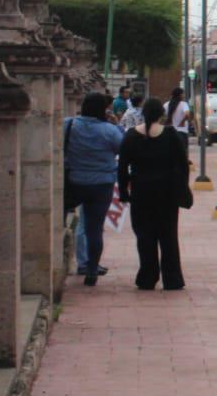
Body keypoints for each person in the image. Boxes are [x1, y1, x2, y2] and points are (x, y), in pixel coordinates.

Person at [117, 97, 192, 290]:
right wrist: (181, 187)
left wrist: (124, 192)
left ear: (143, 114)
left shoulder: (131, 136)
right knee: (168, 236)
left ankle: (147, 276)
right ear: (162, 114)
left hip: (141, 192)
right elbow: (183, 165)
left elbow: (122, 167)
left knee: (144, 236)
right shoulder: (170, 135)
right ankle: (172, 278)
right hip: (166, 193)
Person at [63, 93, 125, 286]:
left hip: (73, 181)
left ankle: (67, 260)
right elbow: (121, 147)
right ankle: (92, 270)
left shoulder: (69, 124)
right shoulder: (109, 131)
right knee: (94, 228)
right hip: (101, 184)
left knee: (62, 221)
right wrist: (116, 125)